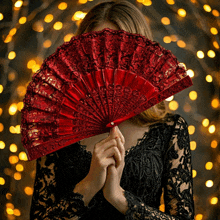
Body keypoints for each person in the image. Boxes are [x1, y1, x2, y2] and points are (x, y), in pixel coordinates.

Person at [29, 0, 195, 219]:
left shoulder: (169, 130)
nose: (108, 61)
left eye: (119, 50)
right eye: (96, 50)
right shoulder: (57, 129)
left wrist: (119, 198)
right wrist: (87, 186)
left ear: (139, 56)